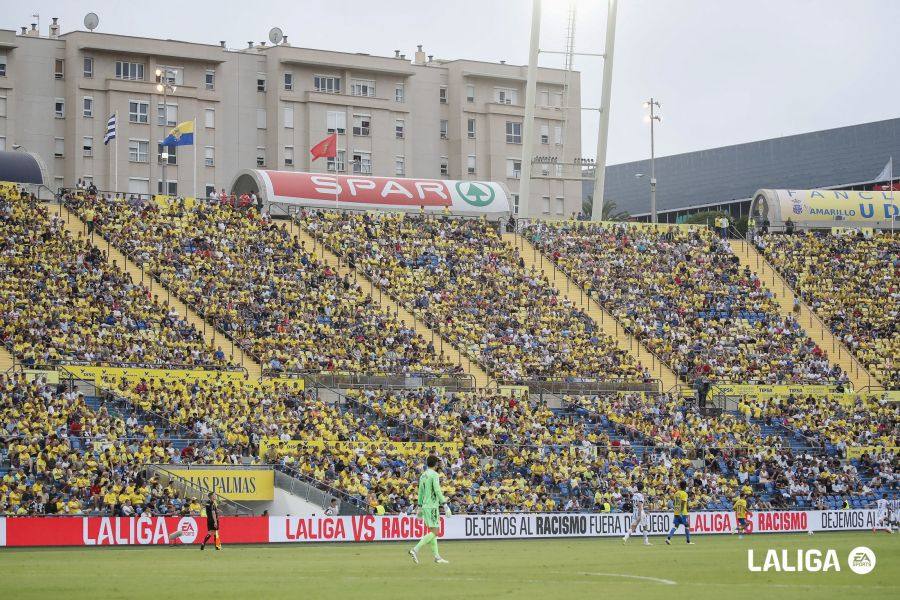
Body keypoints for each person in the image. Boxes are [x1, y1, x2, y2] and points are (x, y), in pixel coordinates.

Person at [409, 455, 450, 564]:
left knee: (432, 533)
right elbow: (437, 490)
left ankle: (437, 557)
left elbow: (420, 492)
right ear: (436, 464)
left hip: (425, 506)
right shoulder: (434, 475)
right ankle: (415, 550)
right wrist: (445, 505)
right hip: (432, 506)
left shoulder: (423, 475)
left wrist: (420, 506)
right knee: (435, 532)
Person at [666, 480, 693, 545]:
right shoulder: (684, 494)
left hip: (676, 512)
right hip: (682, 513)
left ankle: (668, 538)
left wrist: (677, 510)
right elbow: (683, 503)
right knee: (686, 525)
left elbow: (675, 502)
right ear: (685, 486)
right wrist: (681, 512)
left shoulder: (676, 493)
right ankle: (688, 541)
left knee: (675, 526)